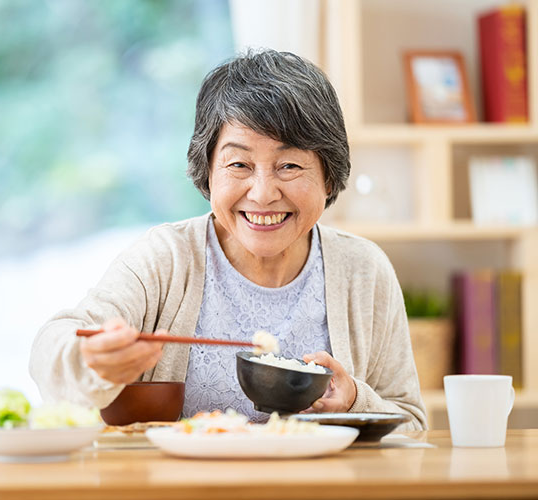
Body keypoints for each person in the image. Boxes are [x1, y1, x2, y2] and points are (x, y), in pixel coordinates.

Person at [29, 49, 426, 430]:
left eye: (289, 165)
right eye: (239, 164)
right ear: (208, 170)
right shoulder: (166, 259)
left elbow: (411, 422)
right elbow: (55, 341)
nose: (263, 192)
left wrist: (354, 400)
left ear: (328, 175)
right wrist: (94, 360)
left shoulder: (362, 269)